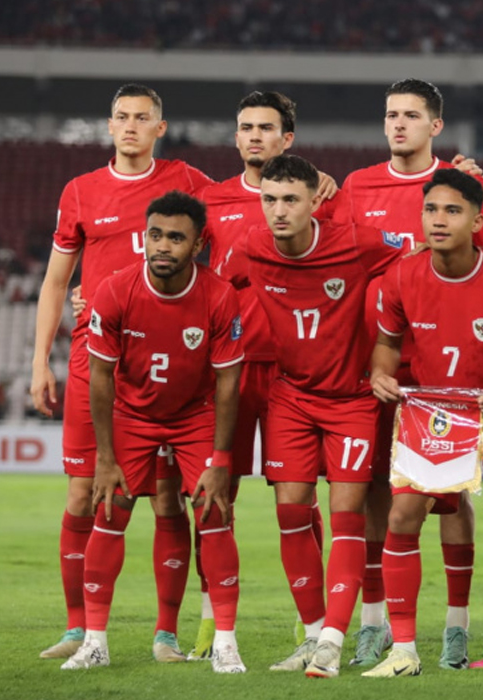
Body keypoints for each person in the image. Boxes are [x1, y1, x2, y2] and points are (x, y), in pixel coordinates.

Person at [31, 84, 214, 663]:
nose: (130, 126)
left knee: (166, 500)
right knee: (84, 492)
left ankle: (165, 634)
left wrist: (326, 190)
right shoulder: (81, 192)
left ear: (161, 128)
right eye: (121, 117)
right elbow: (58, 281)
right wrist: (40, 360)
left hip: (170, 362)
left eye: (142, 118)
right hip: (96, 359)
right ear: (108, 126)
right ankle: (77, 628)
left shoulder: (188, 181)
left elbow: (246, 202)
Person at [331, 78, 483, 669]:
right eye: (390, 115)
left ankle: (455, 627)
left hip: (446, 374)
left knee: (450, 500)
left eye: (410, 115)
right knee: (380, 499)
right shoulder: (356, 187)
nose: (398, 125)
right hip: (380, 368)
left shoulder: (462, 183)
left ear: (435, 125)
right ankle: (375, 624)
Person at [366, 169, 483, 683]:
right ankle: (403, 648)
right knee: (402, 515)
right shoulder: (402, 276)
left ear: (477, 220)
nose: (439, 220)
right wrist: (381, 372)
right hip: (435, 414)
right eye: (431, 210)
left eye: (451, 211)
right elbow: (386, 341)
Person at [236, 154, 408, 678]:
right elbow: (214, 293)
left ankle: (335, 638)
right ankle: (312, 636)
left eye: (291, 200)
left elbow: (417, 253)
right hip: (290, 395)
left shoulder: (356, 241)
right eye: (270, 199)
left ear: (316, 203)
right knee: (290, 511)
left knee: (347, 512)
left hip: (353, 398)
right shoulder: (249, 246)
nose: (279, 210)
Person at [61, 191, 246, 673]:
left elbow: (229, 384)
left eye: (176, 238)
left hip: (195, 414)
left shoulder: (220, 295)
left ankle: (226, 641)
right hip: (133, 415)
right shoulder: (116, 290)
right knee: (111, 508)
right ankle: (95, 642)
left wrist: (222, 461)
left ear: (198, 243)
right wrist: (105, 457)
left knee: (212, 511)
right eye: (155, 235)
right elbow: (99, 376)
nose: (162, 246)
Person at [186, 90, 336, 659]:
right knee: (213, 495)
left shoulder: (315, 195)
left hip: (289, 370)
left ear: (287, 139)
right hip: (223, 369)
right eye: (245, 127)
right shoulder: (210, 200)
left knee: (295, 503)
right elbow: (178, 267)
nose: (254, 136)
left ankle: (311, 624)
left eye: (266, 128)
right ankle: (211, 622)